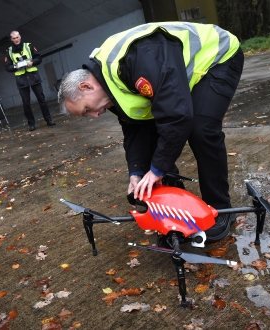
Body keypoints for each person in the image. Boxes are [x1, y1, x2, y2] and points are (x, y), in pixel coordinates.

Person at [58, 22, 244, 241]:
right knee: (155, 149)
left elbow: (176, 116)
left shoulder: (136, 59)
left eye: (87, 110)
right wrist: (136, 172)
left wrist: (157, 169)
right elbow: (136, 130)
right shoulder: (108, 85)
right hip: (178, 76)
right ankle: (174, 206)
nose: (94, 116)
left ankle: (220, 210)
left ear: (86, 87)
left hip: (217, 57)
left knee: (200, 129)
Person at [4, 31, 55, 131]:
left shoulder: (29, 46)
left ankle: (49, 120)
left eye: (17, 37)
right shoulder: (8, 51)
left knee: (42, 100)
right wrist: (16, 66)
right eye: (14, 38)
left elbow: (39, 58)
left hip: (33, 77)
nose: (16, 39)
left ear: (20, 37)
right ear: (11, 39)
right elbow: (7, 67)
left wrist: (32, 62)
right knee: (26, 103)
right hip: (21, 80)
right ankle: (31, 124)